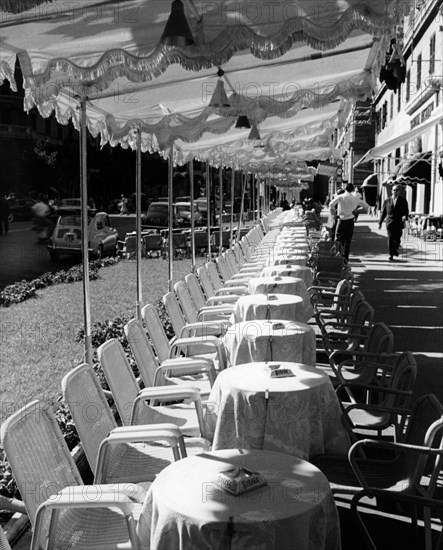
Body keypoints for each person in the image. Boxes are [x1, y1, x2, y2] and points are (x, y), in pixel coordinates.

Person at [328, 183, 369, 260]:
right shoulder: (355, 198)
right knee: (348, 240)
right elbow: (366, 207)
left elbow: (331, 204)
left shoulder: (340, 197)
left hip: (341, 219)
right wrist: (356, 210)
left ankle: (338, 256)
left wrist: (333, 212)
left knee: (338, 239)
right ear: (353, 190)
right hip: (350, 220)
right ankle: (346, 258)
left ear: (345, 189)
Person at [378, 184, 409, 261]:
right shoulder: (387, 201)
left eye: (397, 190)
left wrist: (405, 216)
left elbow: (406, 211)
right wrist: (380, 222)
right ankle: (391, 254)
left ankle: (395, 249)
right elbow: (384, 212)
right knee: (390, 238)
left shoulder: (403, 200)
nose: (395, 191)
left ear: (399, 191)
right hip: (390, 222)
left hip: (398, 222)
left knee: (397, 239)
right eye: (394, 190)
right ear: (392, 191)